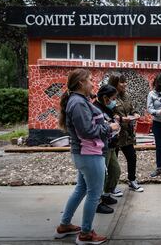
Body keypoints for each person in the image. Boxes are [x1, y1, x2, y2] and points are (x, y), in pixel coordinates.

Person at [54, 69, 119, 244]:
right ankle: (86, 234)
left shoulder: (79, 101)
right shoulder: (78, 103)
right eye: (90, 80)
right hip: (89, 154)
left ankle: (64, 225)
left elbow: (88, 126)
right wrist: (109, 128)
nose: (93, 83)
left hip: (85, 154)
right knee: (94, 194)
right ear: (81, 83)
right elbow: (88, 131)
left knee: (81, 189)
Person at [108, 73, 144, 193]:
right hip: (115, 135)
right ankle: (111, 186)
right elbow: (108, 113)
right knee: (113, 163)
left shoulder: (126, 96)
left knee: (132, 157)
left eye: (125, 82)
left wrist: (135, 114)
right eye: (122, 82)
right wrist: (119, 118)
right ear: (114, 83)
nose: (125, 84)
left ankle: (132, 181)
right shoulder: (110, 97)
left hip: (127, 134)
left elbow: (132, 109)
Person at [93, 84, 121, 214]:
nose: (114, 101)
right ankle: (97, 202)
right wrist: (111, 126)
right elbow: (98, 128)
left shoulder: (107, 107)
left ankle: (106, 194)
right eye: (113, 98)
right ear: (105, 98)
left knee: (115, 171)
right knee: (101, 175)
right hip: (102, 147)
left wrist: (116, 119)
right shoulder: (95, 108)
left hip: (111, 145)